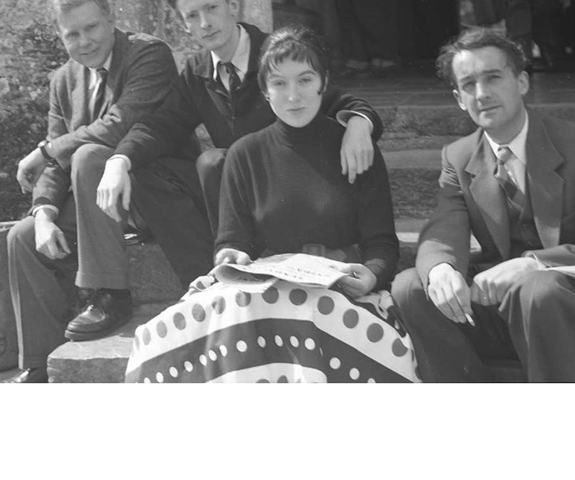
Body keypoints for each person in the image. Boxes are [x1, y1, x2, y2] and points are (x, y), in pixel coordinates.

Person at [125, 26, 418, 383]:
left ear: (323, 83)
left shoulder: (353, 148)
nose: (293, 96)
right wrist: (230, 255)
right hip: (269, 293)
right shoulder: (245, 154)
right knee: (168, 339)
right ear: (265, 91)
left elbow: (382, 244)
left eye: (305, 80)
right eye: (279, 84)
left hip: (340, 294)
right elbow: (232, 240)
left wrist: (371, 271)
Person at [98, 0, 383, 256]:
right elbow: (161, 124)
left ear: (233, 5)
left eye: (211, 8)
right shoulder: (197, 70)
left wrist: (359, 124)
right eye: (193, 16)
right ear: (184, 25)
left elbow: (340, 101)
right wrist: (119, 160)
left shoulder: (275, 53)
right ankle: (208, 276)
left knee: (212, 162)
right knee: (162, 167)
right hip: (237, 192)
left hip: (291, 191)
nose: (205, 22)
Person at [392, 29, 575, 382]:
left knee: (539, 289)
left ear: (522, 82)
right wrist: (440, 269)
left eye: (493, 77)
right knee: (412, 286)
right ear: (458, 98)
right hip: (506, 311)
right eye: (468, 84)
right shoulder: (458, 157)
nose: (482, 93)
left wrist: (533, 264)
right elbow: (443, 228)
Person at [4, 0, 179, 383]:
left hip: (154, 190)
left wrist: (46, 151)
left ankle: (110, 293)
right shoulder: (63, 80)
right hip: (96, 201)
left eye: (92, 27)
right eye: (72, 34)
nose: (85, 41)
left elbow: (120, 124)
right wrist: (45, 212)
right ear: (60, 36)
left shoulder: (148, 54)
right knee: (23, 237)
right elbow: (56, 163)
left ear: (111, 20)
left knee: (89, 155)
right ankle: (39, 362)